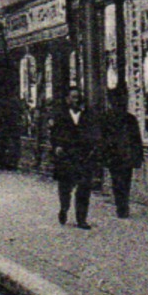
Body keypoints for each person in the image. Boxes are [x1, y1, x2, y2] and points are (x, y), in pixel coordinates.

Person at [49, 87, 98, 229]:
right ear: (67, 99)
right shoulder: (60, 116)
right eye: (73, 97)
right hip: (66, 156)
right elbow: (54, 134)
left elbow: (94, 133)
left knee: (84, 188)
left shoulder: (88, 115)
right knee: (65, 187)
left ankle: (81, 219)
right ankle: (64, 208)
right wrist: (57, 146)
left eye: (78, 97)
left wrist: (93, 148)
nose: (76, 100)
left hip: (83, 157)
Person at [99, 86, 144, 217]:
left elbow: (136, 139)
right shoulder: (120, 118)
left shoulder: (125, 119)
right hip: (119, 154)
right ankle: (122, 205)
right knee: (121, 180)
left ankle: (122, 205)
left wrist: (138, 155)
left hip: (121, 154)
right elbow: (103, 138)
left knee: (120, 181)